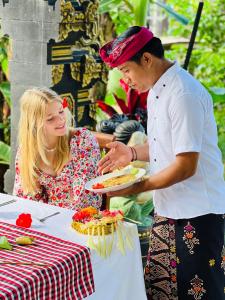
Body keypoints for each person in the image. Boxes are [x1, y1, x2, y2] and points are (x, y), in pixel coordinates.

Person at [98, 26, 225, 299]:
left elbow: (185, 165)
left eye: (126, 71)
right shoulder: (156, 90)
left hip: (198, 214)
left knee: (199, 293)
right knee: (160, 291)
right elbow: (164, 146)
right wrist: (131, 153)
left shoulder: (183, 94)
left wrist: (133, 187)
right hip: (168, 209)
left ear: (146, 59)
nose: (125, 80)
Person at [13, 87, 102, 210]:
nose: (61, 120)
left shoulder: (82, 141)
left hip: (82, 220)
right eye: (50, 118)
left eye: (61, 112)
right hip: (48, 220)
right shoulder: (27, 151)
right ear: (34, 124)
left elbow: (86, 198)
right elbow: (26, 199)